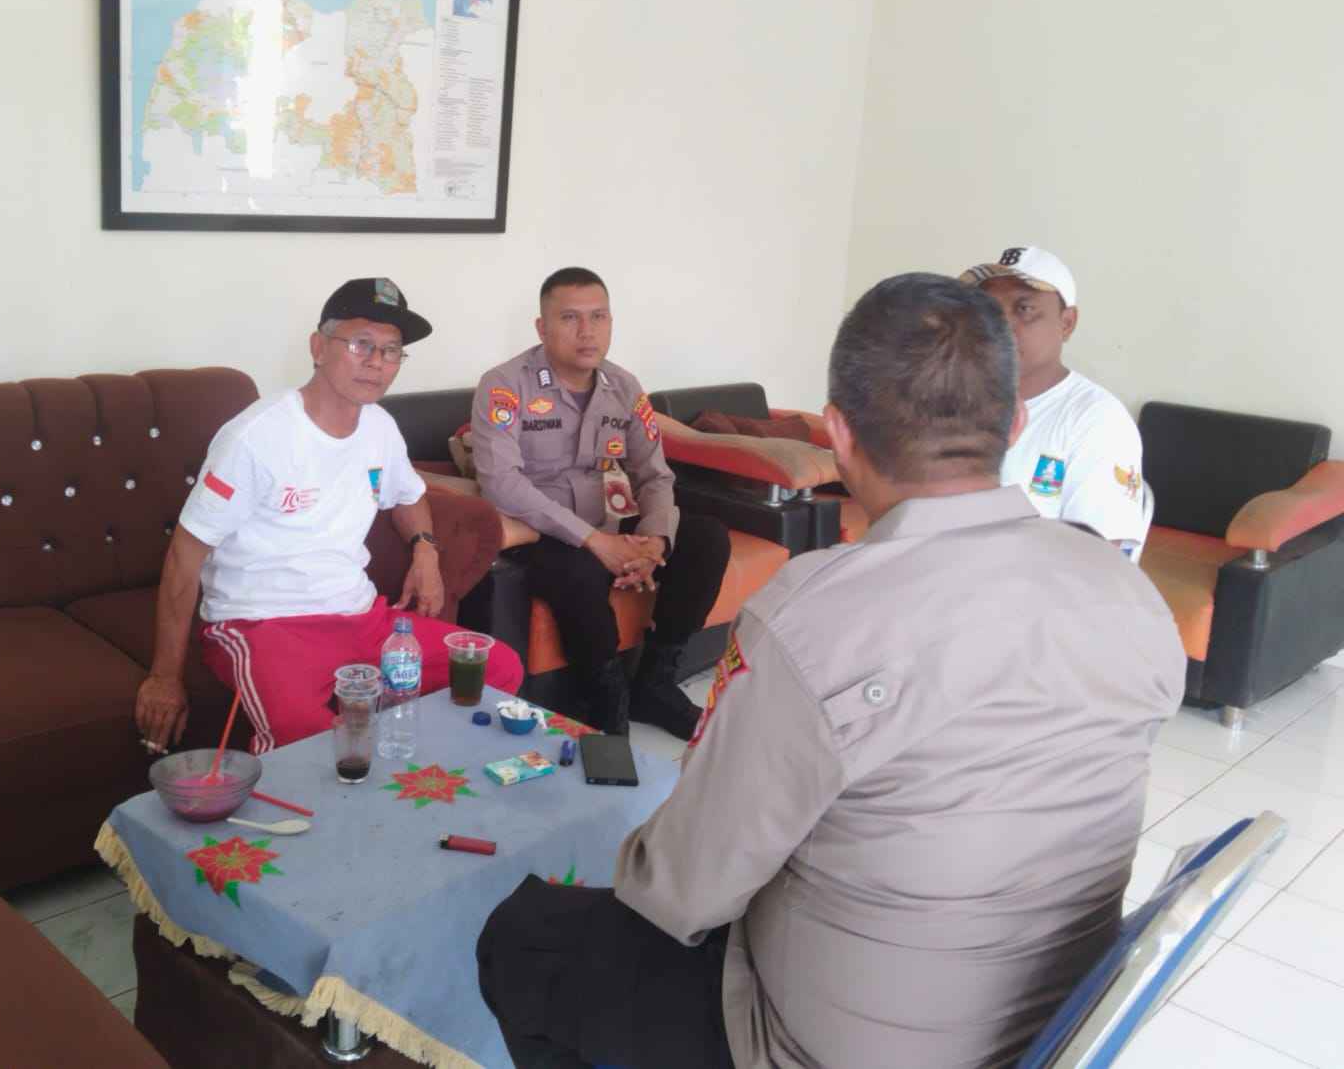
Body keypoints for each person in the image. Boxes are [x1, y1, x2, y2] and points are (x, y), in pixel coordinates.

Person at [477, 273, 1184, 1069]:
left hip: (818, 1044)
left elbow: (678, 893)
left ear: (839, 435)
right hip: (1046, 1029)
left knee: (527, 937)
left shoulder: (816, 614)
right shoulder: (1127, 591)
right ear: (1015, 422)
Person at [134, 278, 524, 755]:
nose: (377, 362)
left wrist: (425, 550)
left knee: (496, 667)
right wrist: (164, 677)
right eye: (361, 344)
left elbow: (408, 495)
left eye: (391, 351)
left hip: (361, 618)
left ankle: (421, 778)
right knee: (310, 743)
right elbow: (185, 553)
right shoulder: (256, 436)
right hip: (264, 624)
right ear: (318, 347)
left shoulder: (380, 427)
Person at [469, 267, 731, 738]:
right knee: (581, 570)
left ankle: (655, 683)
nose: (587, 332)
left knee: (706, 538)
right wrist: (593, 541)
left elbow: (654, 474)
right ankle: (604, 698)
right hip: (540, 531)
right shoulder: (505, 385)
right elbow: (500, 483)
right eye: (570, 318)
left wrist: (653, 542)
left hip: (609, 518)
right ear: (542, 327)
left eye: (599, 317)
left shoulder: (623, 387)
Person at [961, 246, 1148, 550]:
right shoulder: (952, 397)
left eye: (1024, 309)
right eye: (989, 310)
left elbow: (1098, 558)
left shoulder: (1098, 420)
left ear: (1067, 323)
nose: (1001, 324)